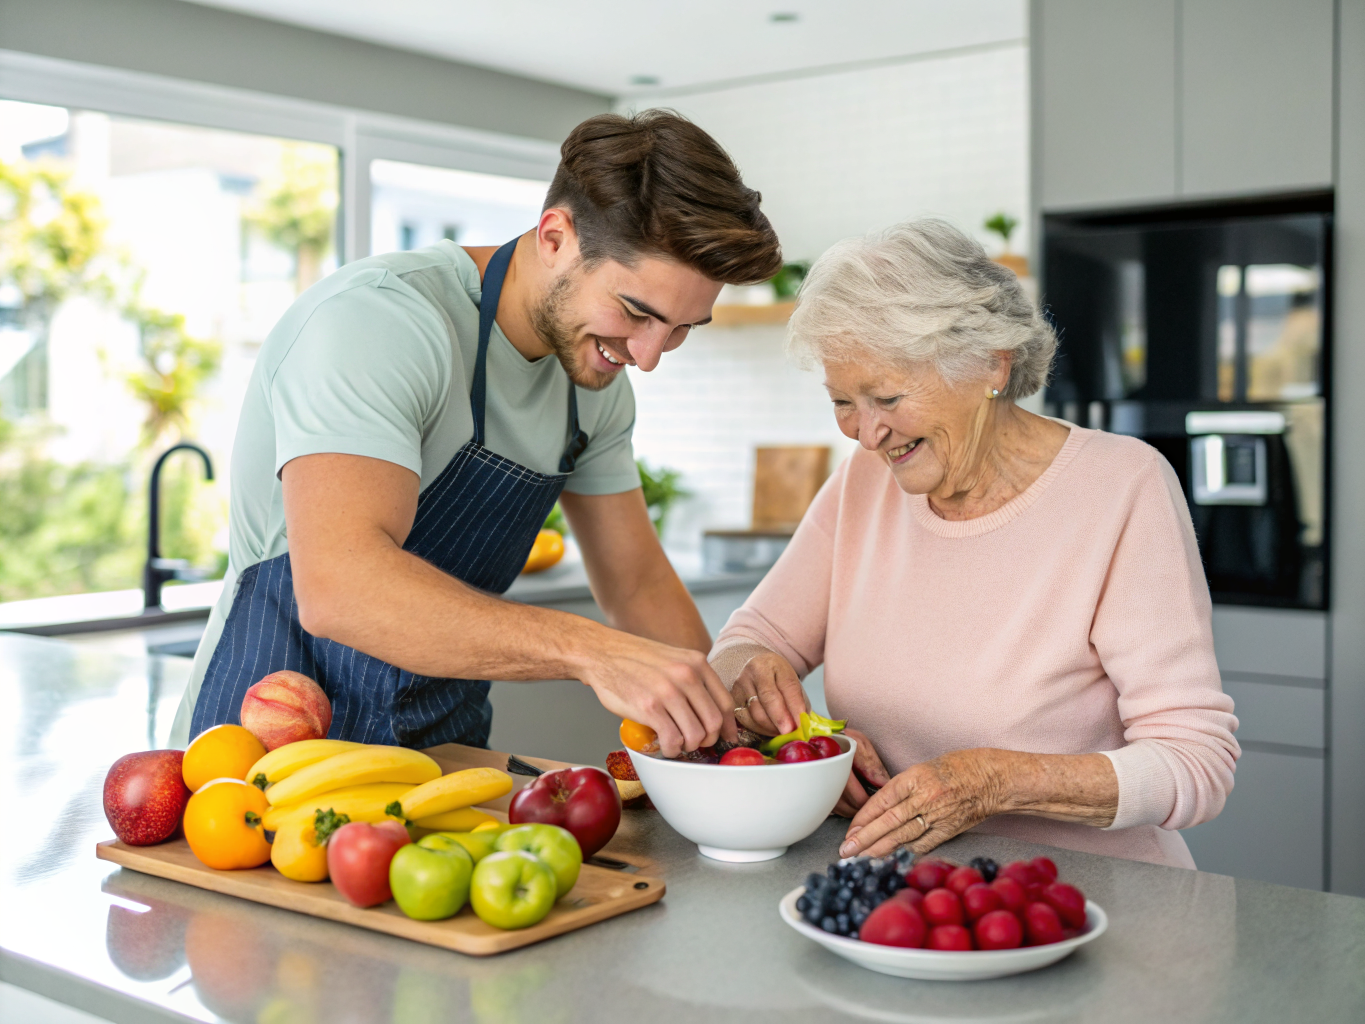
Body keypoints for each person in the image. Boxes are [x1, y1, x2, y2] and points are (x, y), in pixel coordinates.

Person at [171, 111, 783, 758]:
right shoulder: (379, 321)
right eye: (635, 312)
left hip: (441, 755)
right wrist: (589, 651)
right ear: (554, 237)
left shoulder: (593, 387)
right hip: (262, 760)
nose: (650, 355)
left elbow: (637, 584)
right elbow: (339, 587)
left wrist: (735, 735)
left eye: (683, 327)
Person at [711, 220, 1239, 868]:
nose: (866, 433)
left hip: (1093, 903)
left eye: (887, 396)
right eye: (842, 401)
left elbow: (1195, 762)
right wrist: (772, 697)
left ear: (991, 363)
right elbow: (746, 642)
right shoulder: (863, 482)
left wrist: (991, 782)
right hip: (902, 898)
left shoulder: (1120, 486)